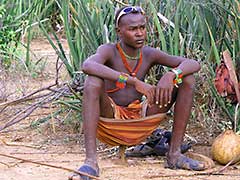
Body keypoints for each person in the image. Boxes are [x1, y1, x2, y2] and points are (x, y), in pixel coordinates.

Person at [69, 5, 205, 180]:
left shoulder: (149, 54)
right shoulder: (109, 51)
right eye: (133, 29)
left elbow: (193, 64)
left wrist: (172, 74)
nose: (139, 33)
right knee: (93, 81)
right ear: (119, 31)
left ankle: (174, 155)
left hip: (140, 117)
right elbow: (88, 66)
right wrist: (132, 81)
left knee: (187, 79)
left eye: (142, 27)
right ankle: (90, 162)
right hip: (110, 117)